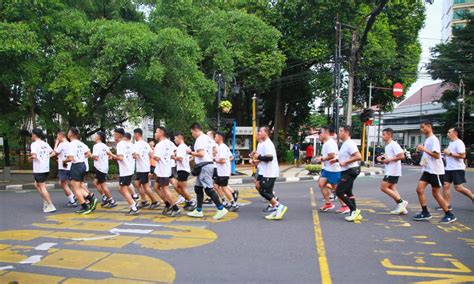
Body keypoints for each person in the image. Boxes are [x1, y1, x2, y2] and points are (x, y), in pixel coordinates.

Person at [412, 121, 457, 224]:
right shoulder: (427, 140)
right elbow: (428, 155)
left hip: (436, 171)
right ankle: (425, 212)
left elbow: (437, 155)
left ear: (429, 127)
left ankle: (449, 214)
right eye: (420, 128)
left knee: (436, 193)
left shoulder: (434, 140)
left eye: (423, 127)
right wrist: (423, 162)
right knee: (419, 189)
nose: (421, 129)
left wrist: (423, 149)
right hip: (428, 170)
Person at [187, 123, 228, 220]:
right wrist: (210, 155)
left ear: (196, 130)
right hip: (207, 165)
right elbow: (215, 150)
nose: (192, 134)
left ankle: (221, 208)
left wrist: (190, 152)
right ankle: (198, 210)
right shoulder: (208, 138)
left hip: (204, 166)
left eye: (192, 132)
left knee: (208, 189)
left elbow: (201, 153)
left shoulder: (200, 139)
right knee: (198, 188)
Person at [251, 126, 287, 220]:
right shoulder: (264, 144)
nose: (258, 133)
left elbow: (269, 158)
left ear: (266, 133)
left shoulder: (268, 144)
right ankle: (276, 209)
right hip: (267, 171)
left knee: (264, 191)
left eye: (260, 131)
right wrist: (256, 161)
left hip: (270, 171)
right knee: (265, 190)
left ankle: (278, 206)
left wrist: (258, 157)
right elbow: (263, 158)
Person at [64, 127, 97, 215]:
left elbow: (70, 158)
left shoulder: (71, 144)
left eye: (68, 131)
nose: (67, 133)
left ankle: (85, 206)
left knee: (75, 188)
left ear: (71, 134)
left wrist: (64, 161)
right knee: (78, 185)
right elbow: (89, 154)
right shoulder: (81, 144)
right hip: (82, 165)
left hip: (76, 166)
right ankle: (90, 199)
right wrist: (81, 157)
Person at [332, 126, 362, 222]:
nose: (339, 133)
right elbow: (346, 156)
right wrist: (337, 160)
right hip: (347, 170)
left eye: (341, 131)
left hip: (350, 170)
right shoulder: (345, 144)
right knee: (348, 192)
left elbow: (358, 156)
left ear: (346, 132)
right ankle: (354, 212)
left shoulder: (350, 143)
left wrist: (345, 163)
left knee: (339, 191)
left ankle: (354, 210)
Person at [377, 128, 409, 215]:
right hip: (390, 170)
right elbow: (389, 157)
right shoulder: (387, 146)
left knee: (383, 187)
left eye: (383, 134)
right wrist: (381, 159)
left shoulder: (394, 144)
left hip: (392, 171)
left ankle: (401, 203)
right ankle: (401, 207)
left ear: (389, 135)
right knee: (392, 188)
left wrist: (389, 159)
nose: (382, 136)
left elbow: (402, 156)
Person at [108, 128, 138, 215]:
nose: (113, 136)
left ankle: (134, 207)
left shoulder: (120, 144)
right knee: (120, 188)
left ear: (118, 135)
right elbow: (135, 155)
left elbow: (120, 158)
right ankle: (133, 203)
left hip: (125, 171)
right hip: (129, 169)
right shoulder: (129, 144)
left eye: (114, 134)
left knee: (123, 189)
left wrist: (111, 155)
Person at [441, 127, 473, 208]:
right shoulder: (451, 143)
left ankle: (472, 197)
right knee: (445, 185)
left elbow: (463, 155)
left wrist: (449, 154)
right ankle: (446, 205)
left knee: (458, 188)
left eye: (449, 132)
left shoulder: (459, 143)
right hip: (448, 168)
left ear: (455, 133)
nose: (447, 134)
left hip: (457, 168)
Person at [153, 127, 181, 217]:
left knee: (165, 189)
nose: (155, 134)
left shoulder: (159, 145)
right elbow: (174, 152)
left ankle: (175, 208)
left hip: (163, 170)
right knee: (156, 187)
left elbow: (156, 157)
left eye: (156, 132)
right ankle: (168, 204)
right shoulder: (169, 143)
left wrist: (152, 155)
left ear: (161, 133)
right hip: (166, 168)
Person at [315, 126, 344, 212]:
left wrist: (322, 159)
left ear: (326, 133)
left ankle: (344, 205)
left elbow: (332, 155)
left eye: (321, 132)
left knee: (336, 189)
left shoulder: (330, 143)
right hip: (327, 169)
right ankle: (328, 203)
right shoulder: (326, 143)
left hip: (333, 169)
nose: (320, 134)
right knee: (321, 183)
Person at [29, 128, 56, 213]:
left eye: (32, 134)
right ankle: (46, 201)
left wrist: (30, 158)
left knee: (42, 187)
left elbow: (34, 156)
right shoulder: (45, 144)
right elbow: (53, 153)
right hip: (45, 168)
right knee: (36, 185)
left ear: (34, 135)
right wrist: (47, 157)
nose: (31, 136)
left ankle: (50, 205)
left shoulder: (34, 144)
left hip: (39, 169)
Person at [132, 128, 160, 210]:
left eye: (134, 134)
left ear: (137, 134)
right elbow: (152, 154)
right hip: (143, 168)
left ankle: (155, 201)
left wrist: (133, 155)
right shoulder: (146, 144)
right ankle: (144, 200)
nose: (134, 136)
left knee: (146, 187)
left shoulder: (137, 144)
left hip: (143, 169)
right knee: (137, 184)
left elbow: (136, 156)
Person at [215, 131, 239, 212]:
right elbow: (230, 158)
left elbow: (222, 161)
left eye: (216, 136)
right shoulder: (222, 147)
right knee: (216, 186)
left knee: (224, 188)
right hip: (221, 171)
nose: (215, 138)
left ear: (220, 138)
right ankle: (224, 202)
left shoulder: (222, 147)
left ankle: (234, 204)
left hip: (223, 172)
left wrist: (214, 160)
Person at [91, 131, 117, 208]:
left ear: (99, 137)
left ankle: (111, 200)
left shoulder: (96, 146)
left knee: (103, 185)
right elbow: (110, 156)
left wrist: (89, 155)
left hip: (100, 168)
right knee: (95, 183)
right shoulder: (105, 146)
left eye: (96, 135)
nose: (94, 136)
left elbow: (95, 157)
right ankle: (105, 197)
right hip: (103, 167)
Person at [174, 132, 196, 211]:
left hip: (182, 170)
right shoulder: (185, 147)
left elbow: (180, 158)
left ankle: (191, 201)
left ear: (180, 138)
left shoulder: (181, 147)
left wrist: (173, 157)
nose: (174, 140)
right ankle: (187, 200)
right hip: (184, 169)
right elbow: (190, 157)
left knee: (182, 188)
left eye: (175, 138)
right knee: (179, 186)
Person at [53, 131, 76, 207]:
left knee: (63, 184)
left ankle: (72, 201)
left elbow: (54, 153)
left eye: (57, 136)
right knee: (64, 183)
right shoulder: (70, 144)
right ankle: (73, 196)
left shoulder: (62, 144)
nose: (57, 138)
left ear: (60, 136)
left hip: (63, 167)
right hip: (70, 166)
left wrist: (56, 143)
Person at [124, 132, 139, 202]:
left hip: (127, 167)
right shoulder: (133, 145)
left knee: (124, 185)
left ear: (125, 137)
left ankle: (133, 199)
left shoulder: (124, 145)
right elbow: (136, 156)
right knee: (128, 182)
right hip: (131, 167)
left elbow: (136, 156)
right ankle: (134, 195)